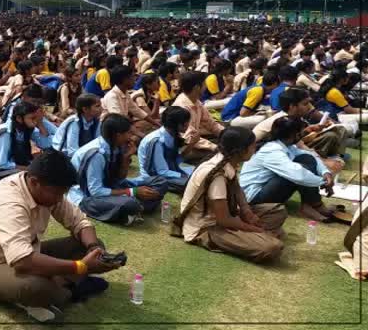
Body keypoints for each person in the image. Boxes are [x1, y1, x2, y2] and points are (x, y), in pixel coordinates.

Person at [0, 150, 120, 324]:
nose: (60, 199)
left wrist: (93, 248)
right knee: (38, 287)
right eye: (57, 193)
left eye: (63, 193)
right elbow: (22, 261)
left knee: (89, 245)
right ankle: (66, 288)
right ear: (34, 182)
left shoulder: (45, 186)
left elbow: (80, 222)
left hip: (25, 252)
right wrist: (80, 267)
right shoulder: (9, 203)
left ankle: (62, 286)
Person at [177, 127, 287, 263]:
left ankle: (256, 237)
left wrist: (247, 212)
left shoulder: (226, 160)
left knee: (278, 210)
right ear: (240, 151)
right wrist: (254, 229)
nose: (255, 149)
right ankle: (260, 237)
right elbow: (224, 220)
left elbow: (236, 188)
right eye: (252, 146)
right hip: (208, 227)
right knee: (272, 247)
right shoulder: (216, 174)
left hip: (228, 214)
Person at [69, 114, 168, 225]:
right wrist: (133, 192)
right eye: (129, 133)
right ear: (118, 135)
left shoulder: (116, 145)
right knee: (130, 203)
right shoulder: (97, 154)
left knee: (161, 182)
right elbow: (96, 191)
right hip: (88, 196)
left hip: (112, 186)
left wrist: (126, 158)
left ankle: (133, 209)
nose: (131, 137)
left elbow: (120, 179)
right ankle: (135, 207)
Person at [240, 117, 336, 222]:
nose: (302, 136)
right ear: (292, 135)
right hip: (254, 198)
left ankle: (313, 205)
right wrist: (323, 182)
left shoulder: (285, 145)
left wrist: (325, 172)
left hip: (266, 189)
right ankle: (314, 205)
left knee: (306, 159)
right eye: (300, 133)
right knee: (295, 172)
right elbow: (299, 176)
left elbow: (309, 156)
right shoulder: (272, 150)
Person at [253, 88, 347, 173]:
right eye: (305, 104)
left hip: (281, 148)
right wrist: (324, 162)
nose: (309, 107)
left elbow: (295, 140)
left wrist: (308, 130)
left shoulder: (293, 118)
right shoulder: (282, 121)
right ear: (292, 106)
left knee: (331, 135)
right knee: (329, 137)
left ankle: (328, 157)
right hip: (261, 151)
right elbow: (299, 146)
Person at [0, 101, 55, 188]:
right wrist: (28, 168)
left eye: (36, 119)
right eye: (32, 118)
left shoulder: (26, 128)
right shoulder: (5, 133)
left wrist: (40, 124)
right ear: (19, 118)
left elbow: (46, 145)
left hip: (17, 168)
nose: (35, 122)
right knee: (32, 177)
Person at [135, 107, 195, 194]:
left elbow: (175, 161)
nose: (188, 125)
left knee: (199, 173)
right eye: (186, 123)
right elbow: (161, 171)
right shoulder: (157, 141)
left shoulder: (173, 135)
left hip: (170, 171)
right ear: (178, 125)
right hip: (155, 177)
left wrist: (192, 144)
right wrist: (182, 175)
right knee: (193, 184)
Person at [174, 72, 225, 162]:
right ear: (197, 87)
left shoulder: (196, 101)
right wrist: (214, 147)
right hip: (182, 146)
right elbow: (189, 137)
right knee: (217, 153)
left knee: (222, 141)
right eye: (204, 84)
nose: (206, 87)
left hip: (193, 140)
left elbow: (210, 123)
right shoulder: (182, 107)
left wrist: (226, 135)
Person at [101, 65, 159, 141]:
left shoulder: (125, 93)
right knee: (138, 138)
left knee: (154, 124)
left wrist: (156, 123)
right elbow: (118, 121)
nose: (135, 80)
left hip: (123, 126)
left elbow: (136, 110)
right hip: (114, 131)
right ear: (124, 79)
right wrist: (141, 134)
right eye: (132, 77)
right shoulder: (112, 96)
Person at [52, 94, 102, 158]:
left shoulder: (96, 120)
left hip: (81, 151)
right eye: (97, 106)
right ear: (85, 109)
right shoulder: (74, 122)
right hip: (62, 155)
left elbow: (98, 142)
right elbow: (72, 151)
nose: (101, 108)